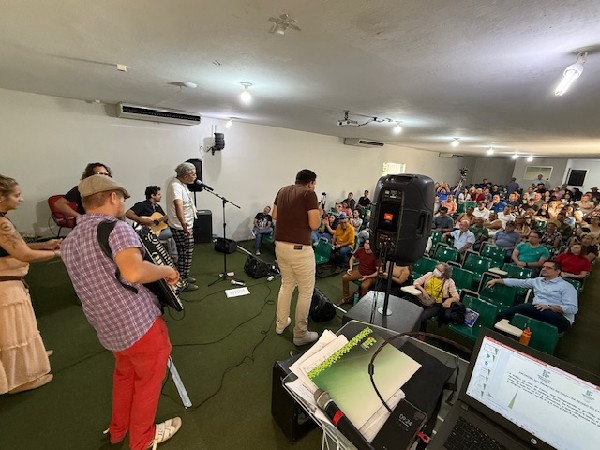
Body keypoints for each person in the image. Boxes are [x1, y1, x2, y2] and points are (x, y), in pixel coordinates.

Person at [61, 175, 182, 449]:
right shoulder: (116, 228)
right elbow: (134, 272)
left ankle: (118, 430)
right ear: (113, 197)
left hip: (107, 326)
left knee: (124, 374)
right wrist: (166, 270)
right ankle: (142, 438)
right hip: (137, 322)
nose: (124, 203)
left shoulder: (70, 240)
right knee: (149, 379)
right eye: (123, 197)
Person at [0, 175, 61, 395]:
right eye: (16, 195)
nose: (21, 199)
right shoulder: (1, 223)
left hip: (8, 284)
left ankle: (32, 361)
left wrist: (45, 245)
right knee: (14, 334)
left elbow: (12, 248)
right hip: (5, 288)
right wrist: (57, 253)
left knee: (18, 329)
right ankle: (19, 381)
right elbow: (23, 254)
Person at [272, 169, 322, 346]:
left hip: (280, 246)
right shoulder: (309, 194)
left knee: (286, 285)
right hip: (300, 249)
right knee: (306, 291)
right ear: (310, 183)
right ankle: (300, 334)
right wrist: (319, 212)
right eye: (314, 183)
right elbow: (314, 224)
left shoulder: (282, 190)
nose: (314, 186)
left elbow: (275, 215)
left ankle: (281, 324)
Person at [488, 260, 577, 333]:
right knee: (520, 314)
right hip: (537, 310)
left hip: (560, 318)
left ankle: (494, 319)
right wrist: (497, 280)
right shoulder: (538, 281)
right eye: (543, 267)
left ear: (558, 271)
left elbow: (572, 309)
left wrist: (550, 307)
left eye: (548, 268)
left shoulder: (567, 286)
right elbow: (518, 282)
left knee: (525, 307)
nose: (544, 269)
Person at [166, 162, 198, 292]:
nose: (195, 176)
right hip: (181, 227)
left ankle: (183, 276)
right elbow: (178, 205)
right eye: (193, 174)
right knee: (185, 255)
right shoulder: (176, 186)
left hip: (183, 226)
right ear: (185, 175)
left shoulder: (181, 184)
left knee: (184, 254)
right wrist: (184, 225)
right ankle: (182, 283)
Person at [126, 186, 176, 260]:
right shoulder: (142, 205)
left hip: (158, 232)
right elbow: (128, 213)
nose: (161, 196)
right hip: (145, 234)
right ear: (152, 195)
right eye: (158, 194)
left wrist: (170, 218)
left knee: (174, 230)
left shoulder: (158, 207)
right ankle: (174, 257)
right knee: (173, 231)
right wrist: (141, 220)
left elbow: (163, 221)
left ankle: (173, 257)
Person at [412, 263, 459, 332]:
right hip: (425, 299)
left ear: (444, 273)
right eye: (436, 268)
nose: (436, 270)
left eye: (439, 269)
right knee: (411, 307)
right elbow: (416, 282)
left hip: (436, 304)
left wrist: (449, 300)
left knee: (422, 317)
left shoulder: (449, 281)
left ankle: (422, 333)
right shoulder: (430, 274)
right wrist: (423, 290)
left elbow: (456, 297)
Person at [338, 239, 380, 305]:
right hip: (360, 272)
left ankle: (362, 303)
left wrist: (368, 277)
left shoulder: (375, 256)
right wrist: (350, 268)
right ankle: (346, 298)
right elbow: (352, 258)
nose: (366, 245)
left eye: (368, 244)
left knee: (364, 286)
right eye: (365, 243)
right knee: (345, 278)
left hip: (371, 276)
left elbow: (379, 272)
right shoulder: (360, 250)